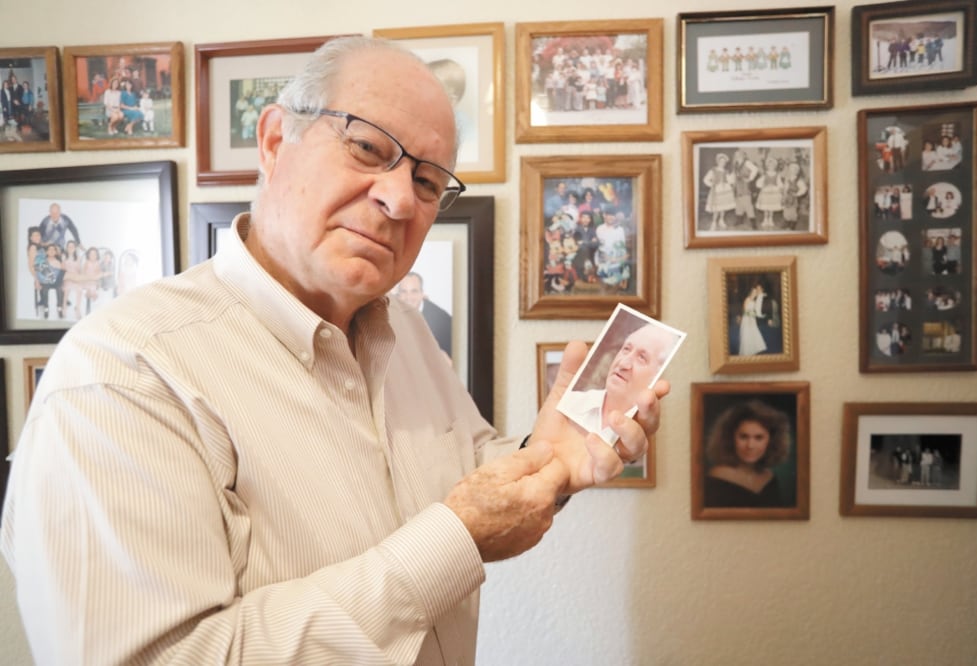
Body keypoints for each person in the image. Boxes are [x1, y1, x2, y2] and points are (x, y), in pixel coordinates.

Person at [1, 36, 669, 665]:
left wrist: (547, 457)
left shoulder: (404, 333)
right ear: (272, 140)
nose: (399, 197)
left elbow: (464, 474)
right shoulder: (126, 375)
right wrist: (456, 541)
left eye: (430, 183)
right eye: (369, 149)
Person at [558, 323, 672, 445]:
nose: (623, 364)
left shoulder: (635, 429)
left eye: (641, 358)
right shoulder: (571, 403)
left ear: (657, 376)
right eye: (626, 349)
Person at [703, 400, 792, 508]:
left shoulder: (770, 478)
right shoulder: (717, 477)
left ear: (771, 441)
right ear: (730, 438)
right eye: (743, 437)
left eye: (759, 438)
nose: (750, 445)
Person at [396, 271, 453, 356]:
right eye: (404, 292)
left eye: (414, 291)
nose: (408, 297)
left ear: (422, 294)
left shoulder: (441, 321)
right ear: (398, 295)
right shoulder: (392, 313)